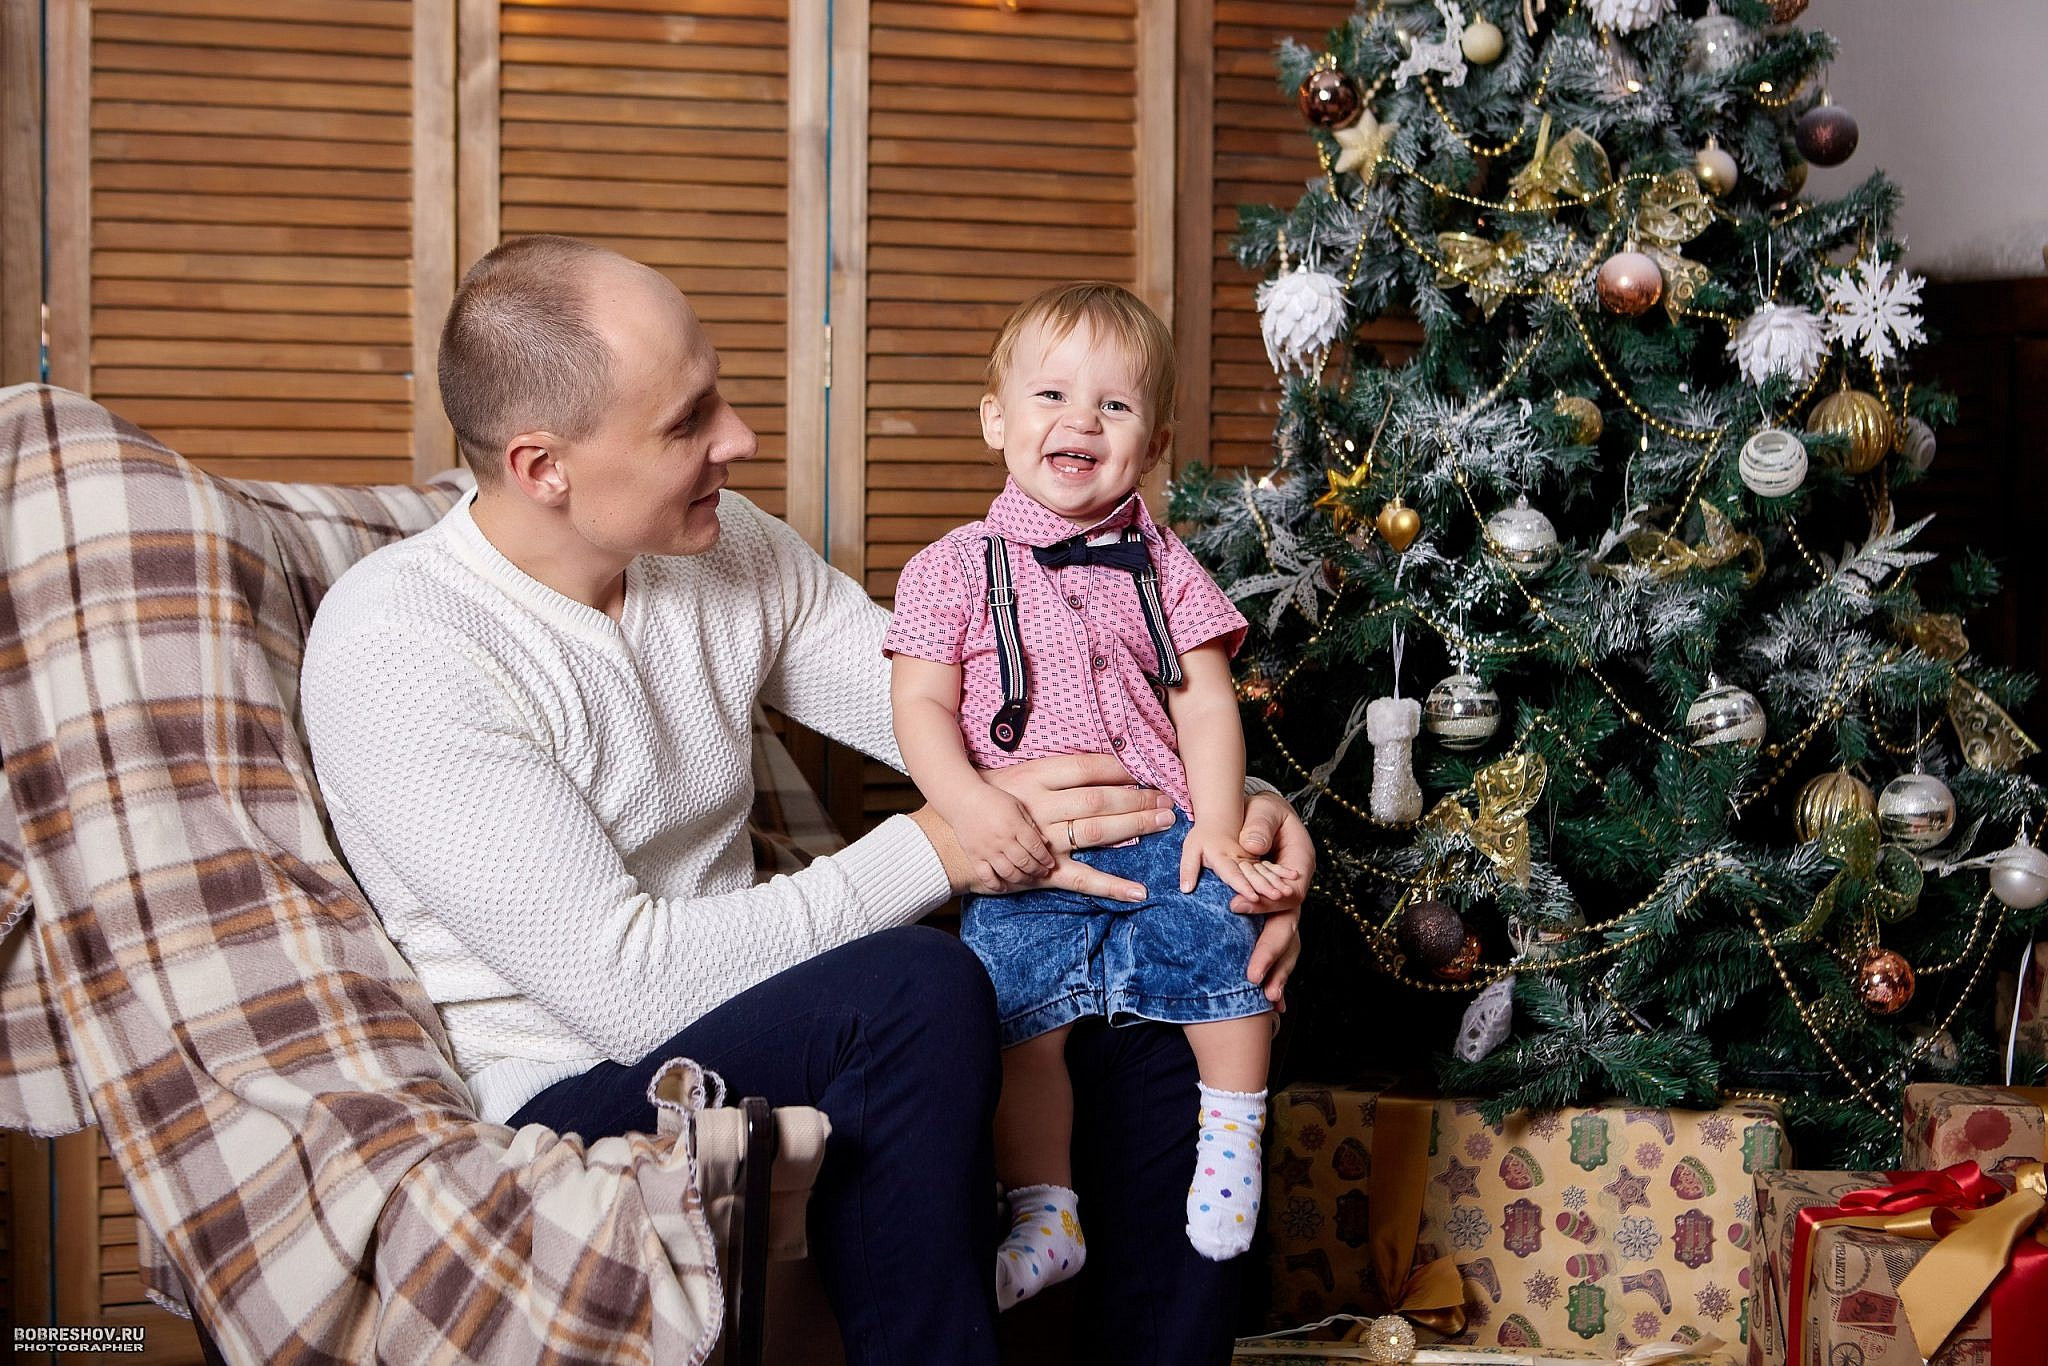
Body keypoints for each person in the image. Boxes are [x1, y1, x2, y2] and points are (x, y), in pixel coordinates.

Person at [298, 235, 1311, 1366]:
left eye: (717, 392)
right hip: (572, 1078)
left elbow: (1003, 718)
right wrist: (936, 846)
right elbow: (626, 990)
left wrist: (1229, 821)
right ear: (545, 467)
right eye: (687, 423)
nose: (738, 438)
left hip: (754, 1012)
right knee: (920, 979)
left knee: (1156, 976)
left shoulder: (722, 551)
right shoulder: (402, 647)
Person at [887, 284, 1288, 1313]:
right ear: (995, 420)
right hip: (1024, 845)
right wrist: (967, 807)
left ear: (1152, 441)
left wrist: (1221, 820)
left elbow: (1202, 707)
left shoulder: (1166, 566)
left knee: (1230, 965)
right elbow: (921, 705)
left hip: (1161, 825)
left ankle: (1232, 1138)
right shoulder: (947, 568)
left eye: (1112, 408)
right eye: (1051, 394)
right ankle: (1044, 1210)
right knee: (1016, 1021)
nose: (1078, 421)